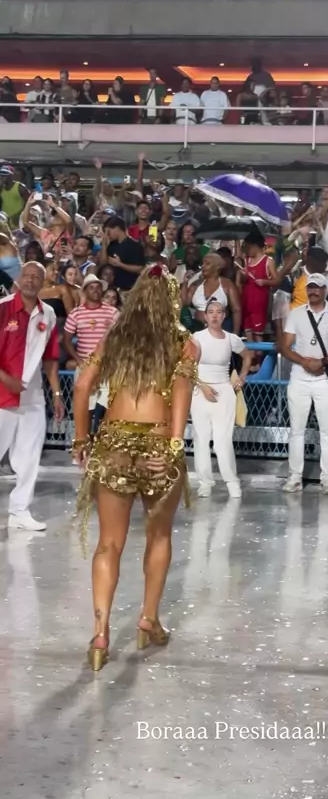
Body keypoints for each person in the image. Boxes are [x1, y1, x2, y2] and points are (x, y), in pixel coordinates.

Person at [72, 264, 199, 672]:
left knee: (109, 543)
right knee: (158, 536)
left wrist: (80, 440)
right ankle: (148, 619)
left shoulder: (116, 337)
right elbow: (181, 391)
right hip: (159, 447)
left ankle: (100, 634)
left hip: (113, 446)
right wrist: (174, 446)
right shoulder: (183, 341)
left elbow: (81, 386)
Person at [0, 262, 64, 531]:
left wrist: (57, 394)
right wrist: (6, 380)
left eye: (36, 277)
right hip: (2, 395)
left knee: (29, 456)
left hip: (33, 396)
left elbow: (50, 358)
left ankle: (20, 511)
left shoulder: (48, 313)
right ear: (19, 278)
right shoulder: (3, 308)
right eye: (26, 275)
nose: (30, 280)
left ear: (42, 282)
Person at [281, 273, 328, 494]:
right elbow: (284, 346)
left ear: (325, 290)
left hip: (325, 379)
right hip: (299, 377)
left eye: (318, 287)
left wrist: (322, 362)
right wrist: (304, 361)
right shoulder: (296, 314)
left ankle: (327, 478)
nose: (313, 291)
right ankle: (294, 477)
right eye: (310, 287)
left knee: (327, 431)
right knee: (296, 430)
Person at [191, 298, 252, 499]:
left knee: (223, 439)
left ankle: (232, 482)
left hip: (224, 391)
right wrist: (202, 386)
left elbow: (247, 356)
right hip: (201, 391)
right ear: (205, 316)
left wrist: (242, 377)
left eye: (219, 312)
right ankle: (205, 483)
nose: (215, 316)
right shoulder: (197, 338)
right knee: (201, 438)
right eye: (211, 312)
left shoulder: (231, 339)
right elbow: (187, 366)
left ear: (224, 316)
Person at [63, 274, 119, 372]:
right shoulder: (75, 313)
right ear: (85, 291)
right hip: (84, 364)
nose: (95, 290)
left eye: (98, 287)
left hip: (106, 364)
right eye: (91, 288)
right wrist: (79, 361)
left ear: (102, 290)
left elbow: (121, 337)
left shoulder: (112, 312)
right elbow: (66, 341)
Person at [185, 252, 241, 335]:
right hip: (197, 330)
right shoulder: (196, 285)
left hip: (221, 330)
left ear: (217, 267)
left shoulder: (227, 285)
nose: (203, 266)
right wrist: (185, 282)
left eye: (207, 264)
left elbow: (236, 310)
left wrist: (235, 333)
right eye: (202, 263)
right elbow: (185, 303)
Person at [101, 216, 146, 292]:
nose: (107, 235)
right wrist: (104, 245)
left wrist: (120, 264)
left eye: (108, 232)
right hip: (114, 288)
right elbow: (103, 264)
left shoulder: (135, 246)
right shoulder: (112, 246)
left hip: (130, 289)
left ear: (116, 228)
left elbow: (140, 269)